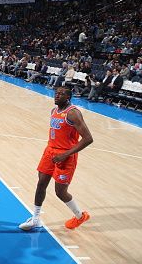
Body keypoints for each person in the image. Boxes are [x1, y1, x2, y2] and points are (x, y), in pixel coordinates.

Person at [19, 87, 94, 231]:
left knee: (60, 192)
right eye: (56, 93)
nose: (57, 96)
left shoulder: (73, 113)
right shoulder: (53, 111)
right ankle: (35, 218)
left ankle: (80, 216)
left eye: (61, 94)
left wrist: (65, 154)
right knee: (41, 183)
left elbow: (88, 139)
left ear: (68, 97)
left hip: (66, 156)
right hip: (50, 152)